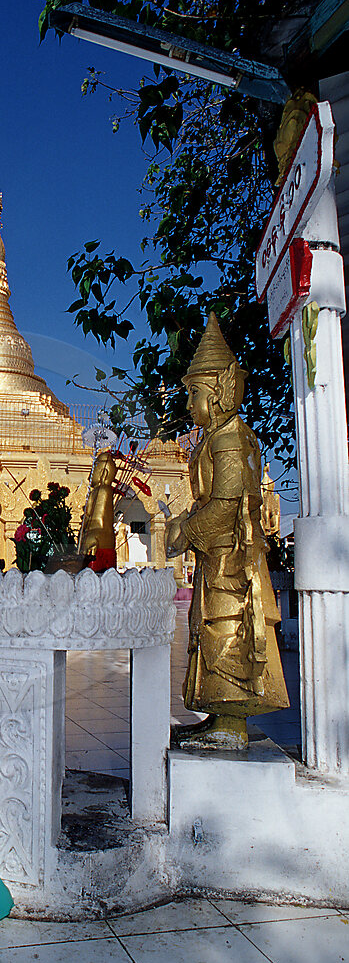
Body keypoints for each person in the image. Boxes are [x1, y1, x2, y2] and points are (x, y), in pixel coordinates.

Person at [165, 313, 289, 749]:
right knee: (209, 627)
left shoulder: (228, 438)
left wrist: (184, 531)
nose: (188, 404)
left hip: (230, 554)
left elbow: (227, 504)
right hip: (218, 553)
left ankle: (231, 723)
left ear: (218, 391)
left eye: (194, 393)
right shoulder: (217, 436)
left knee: (227, 627)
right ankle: (217, 713)